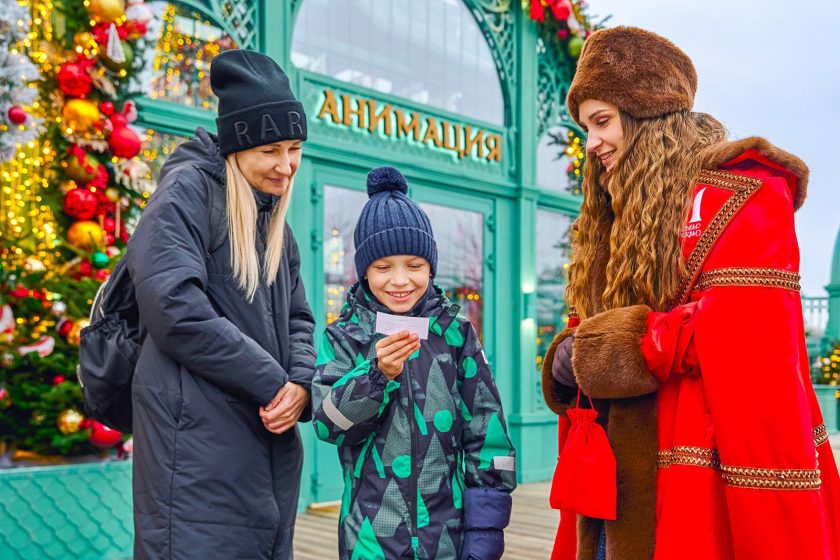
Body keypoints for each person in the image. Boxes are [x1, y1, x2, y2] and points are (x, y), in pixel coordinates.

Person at [541, 26, 840, 560]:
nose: (592, 143)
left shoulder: (742, 192)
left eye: (602, 121)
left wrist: (615, 345)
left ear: (647, 115)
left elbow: (744, 328)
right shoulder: (618, 210)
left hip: (694, 474)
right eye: (586, 126)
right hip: (612, 480)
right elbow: (594, 325)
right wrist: (569, 354)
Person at [125, 49, 316, 559]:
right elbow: (174, 308)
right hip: (194, 451)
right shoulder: (185, 194)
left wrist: (300, 383)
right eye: (270, 149)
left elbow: (300, 317)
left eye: (294, 147)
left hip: (261, 445)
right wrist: (274, 382)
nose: (286, 165)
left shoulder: (275, 223)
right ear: (237, 147)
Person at [311, 166, 517, 560]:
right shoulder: (343, 337)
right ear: (364, 271)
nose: (400, 280)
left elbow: (487, 437)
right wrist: (375, 376)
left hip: (449, 539)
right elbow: (328, 425)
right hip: (370, 541)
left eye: (415, 265)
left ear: (431, 267)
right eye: (383, 267)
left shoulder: (456, 333)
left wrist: (485, 535)